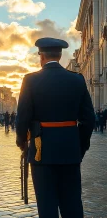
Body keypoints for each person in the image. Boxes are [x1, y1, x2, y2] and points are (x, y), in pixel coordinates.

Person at [16, 37, 95, 218]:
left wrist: (23, 144)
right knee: (72, 203)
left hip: (41, 152)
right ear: (59, 55)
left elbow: (22, 119)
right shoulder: (77, 79)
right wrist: (79, 146)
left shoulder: (30, 80)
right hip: (70, 151)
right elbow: (89, 119)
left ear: (41, 57)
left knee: (47, 205)